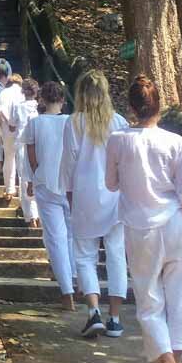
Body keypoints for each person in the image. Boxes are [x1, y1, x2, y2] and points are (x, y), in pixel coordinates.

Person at [106, 75, 182, 363]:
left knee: (149, 301)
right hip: (178, 226)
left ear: (131, 108)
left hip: (142, 229)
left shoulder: (118, 141)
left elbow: (110, 184)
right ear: (158, 106)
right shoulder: (176, 143)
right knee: (179, 297)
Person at [62, 69, 129, 339]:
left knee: (85, 256)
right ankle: (115, 318)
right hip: (115, 196)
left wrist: (68, 192)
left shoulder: (74, 122)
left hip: (85, 194)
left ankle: (93, 313)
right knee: (116, 255)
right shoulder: (119, 122)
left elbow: (69, 162)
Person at [23, 80, 76, 309]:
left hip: (45, 183)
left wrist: (32, 180)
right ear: (63, 100)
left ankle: (67, 293)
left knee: (55, 238)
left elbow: (31, 157)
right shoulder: (72, 123)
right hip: (72, 185)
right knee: (71, 236)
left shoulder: (35, 124)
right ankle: (74, 279)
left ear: (41, 100)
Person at [10, 79, 42, 224]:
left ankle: (29, 216)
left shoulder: (18, 107)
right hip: (38, 146)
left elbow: (11, 125)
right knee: (37, 177)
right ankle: (39, 213)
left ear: (23, 91)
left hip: (22, 144)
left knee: (24, 179)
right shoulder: (40, 108)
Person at [0, 74, 27, 200]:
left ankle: (9, 189)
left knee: (8, 158)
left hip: (7, 130)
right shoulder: (23, 93)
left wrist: (8, 123)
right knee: (23, 159)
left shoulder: (4, 92)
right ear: (20, 82)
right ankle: (24, 190)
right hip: (22, 130)